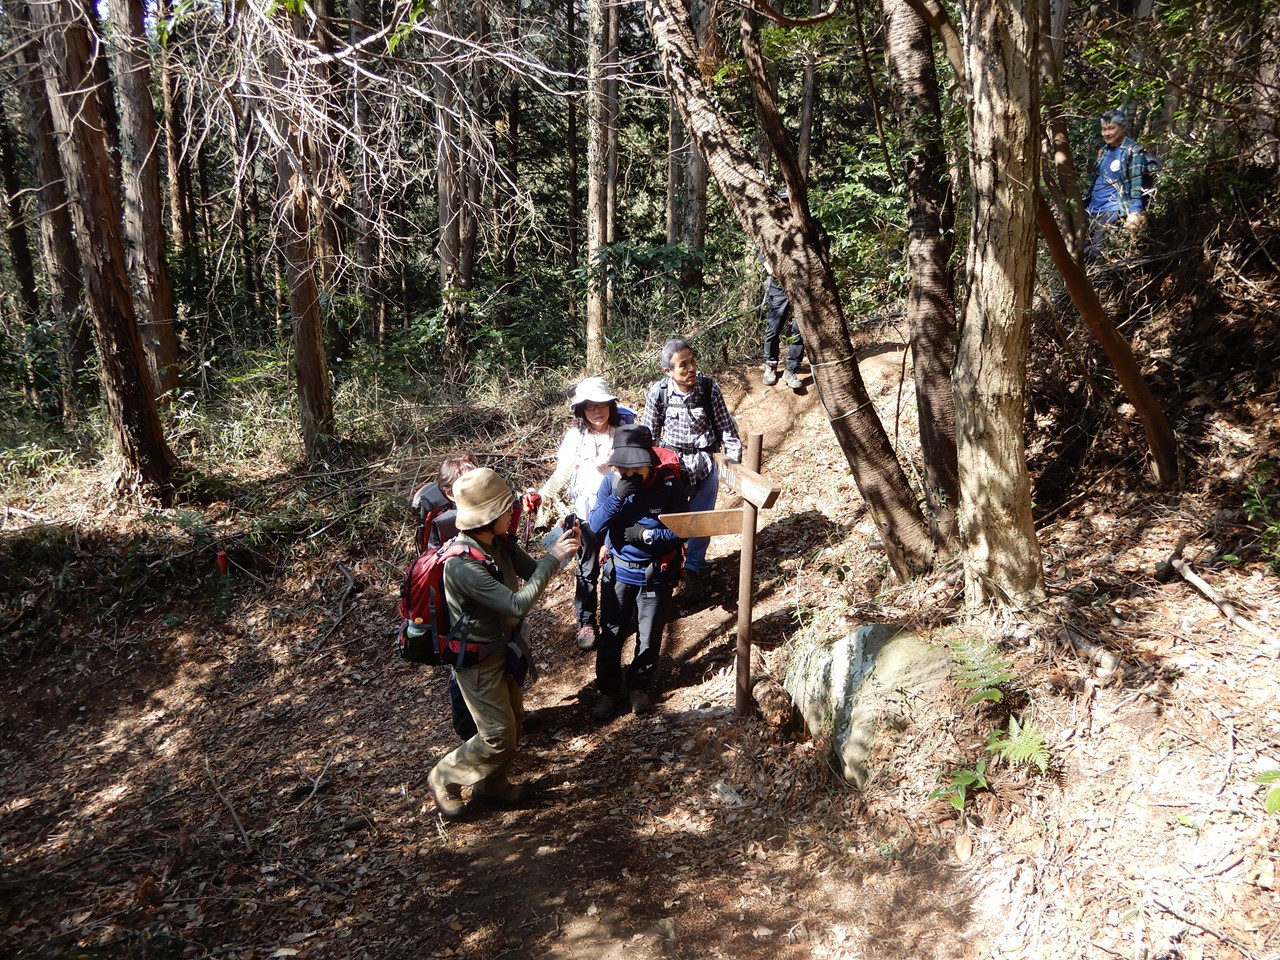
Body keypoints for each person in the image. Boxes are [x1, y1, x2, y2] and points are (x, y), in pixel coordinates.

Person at [426, 468, 578, 819]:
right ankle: (443, 775)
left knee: (514, 722)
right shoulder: (463, 565)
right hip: (478, 662)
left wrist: (561, 549)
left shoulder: (499, 543)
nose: (513, 513)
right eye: (506, 509)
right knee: (496, 734)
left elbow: (532, 571)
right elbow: (516, 603)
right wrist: (553, 559)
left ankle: (492, 786)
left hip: (504, 648)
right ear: (489, 516)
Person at [587, 425, 689, 719]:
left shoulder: (669, 485)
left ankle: (638, 686)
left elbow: (682, 531)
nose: (627, 472)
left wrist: (646, 536)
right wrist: (617, 497)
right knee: (611, 634)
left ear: (648, 461)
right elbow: (594, 526)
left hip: (654, 573)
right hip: (617, 573)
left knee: (649, 635)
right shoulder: (611, 483)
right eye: (621, 466)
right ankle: (608, 691)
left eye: (633, 467)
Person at [640, 338, 742, 602]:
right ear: (668, 371)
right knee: (670, 519)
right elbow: (648, 437)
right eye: (682, 365)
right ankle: (668, 567)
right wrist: (648, 474)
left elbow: (727, 430)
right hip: (671, 468)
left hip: (705, 465)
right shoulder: (658, 393)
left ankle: (694, 570)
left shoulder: (708, 389)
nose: (691, 368)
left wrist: (733, 468)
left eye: (692, 361)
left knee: (701, 519)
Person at [535, 377, 630, 652]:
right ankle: (586, 622)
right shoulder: (575, 438)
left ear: (611, 405)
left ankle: (616, 617)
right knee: (587, 570)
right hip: (586, 514)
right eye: (590, 407)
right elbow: (562, 473)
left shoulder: (625, 429)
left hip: (619, 512)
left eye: (602, 405)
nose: (597, 411)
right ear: (581, 411)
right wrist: (543, 495)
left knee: (616, 567)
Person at [1085, 108, 1151, 261]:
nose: (1106, 133)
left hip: (1112, 211)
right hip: (1092, 211)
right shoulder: (1103, 151)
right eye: (1103, 129)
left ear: (1123, 128)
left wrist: (1135, 213)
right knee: (1083, 253)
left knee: (1098, 255)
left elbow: (1136, 184)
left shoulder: (1133, 151)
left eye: (1111, 128)